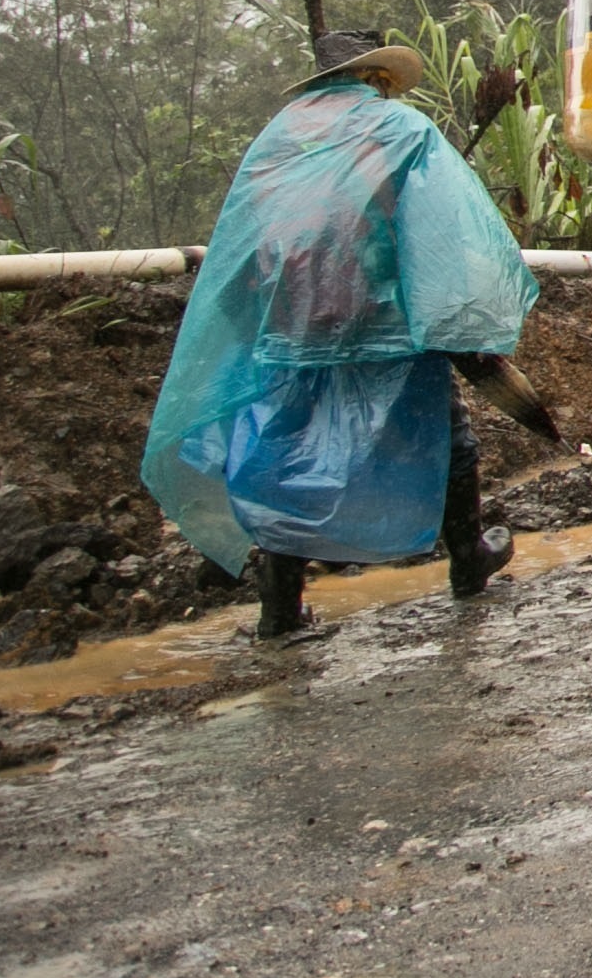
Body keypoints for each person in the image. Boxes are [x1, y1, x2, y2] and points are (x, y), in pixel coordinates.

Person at [140, 31, 555, 640]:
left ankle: (280, 609)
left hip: (292, 321)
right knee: (445, 436)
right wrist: (454, 319)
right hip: (383, 320)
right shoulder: (398, 129)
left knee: (283, 452)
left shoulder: (279, 137)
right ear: (375, 79)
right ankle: (469, 561)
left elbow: (249, 238)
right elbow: (437, 228)